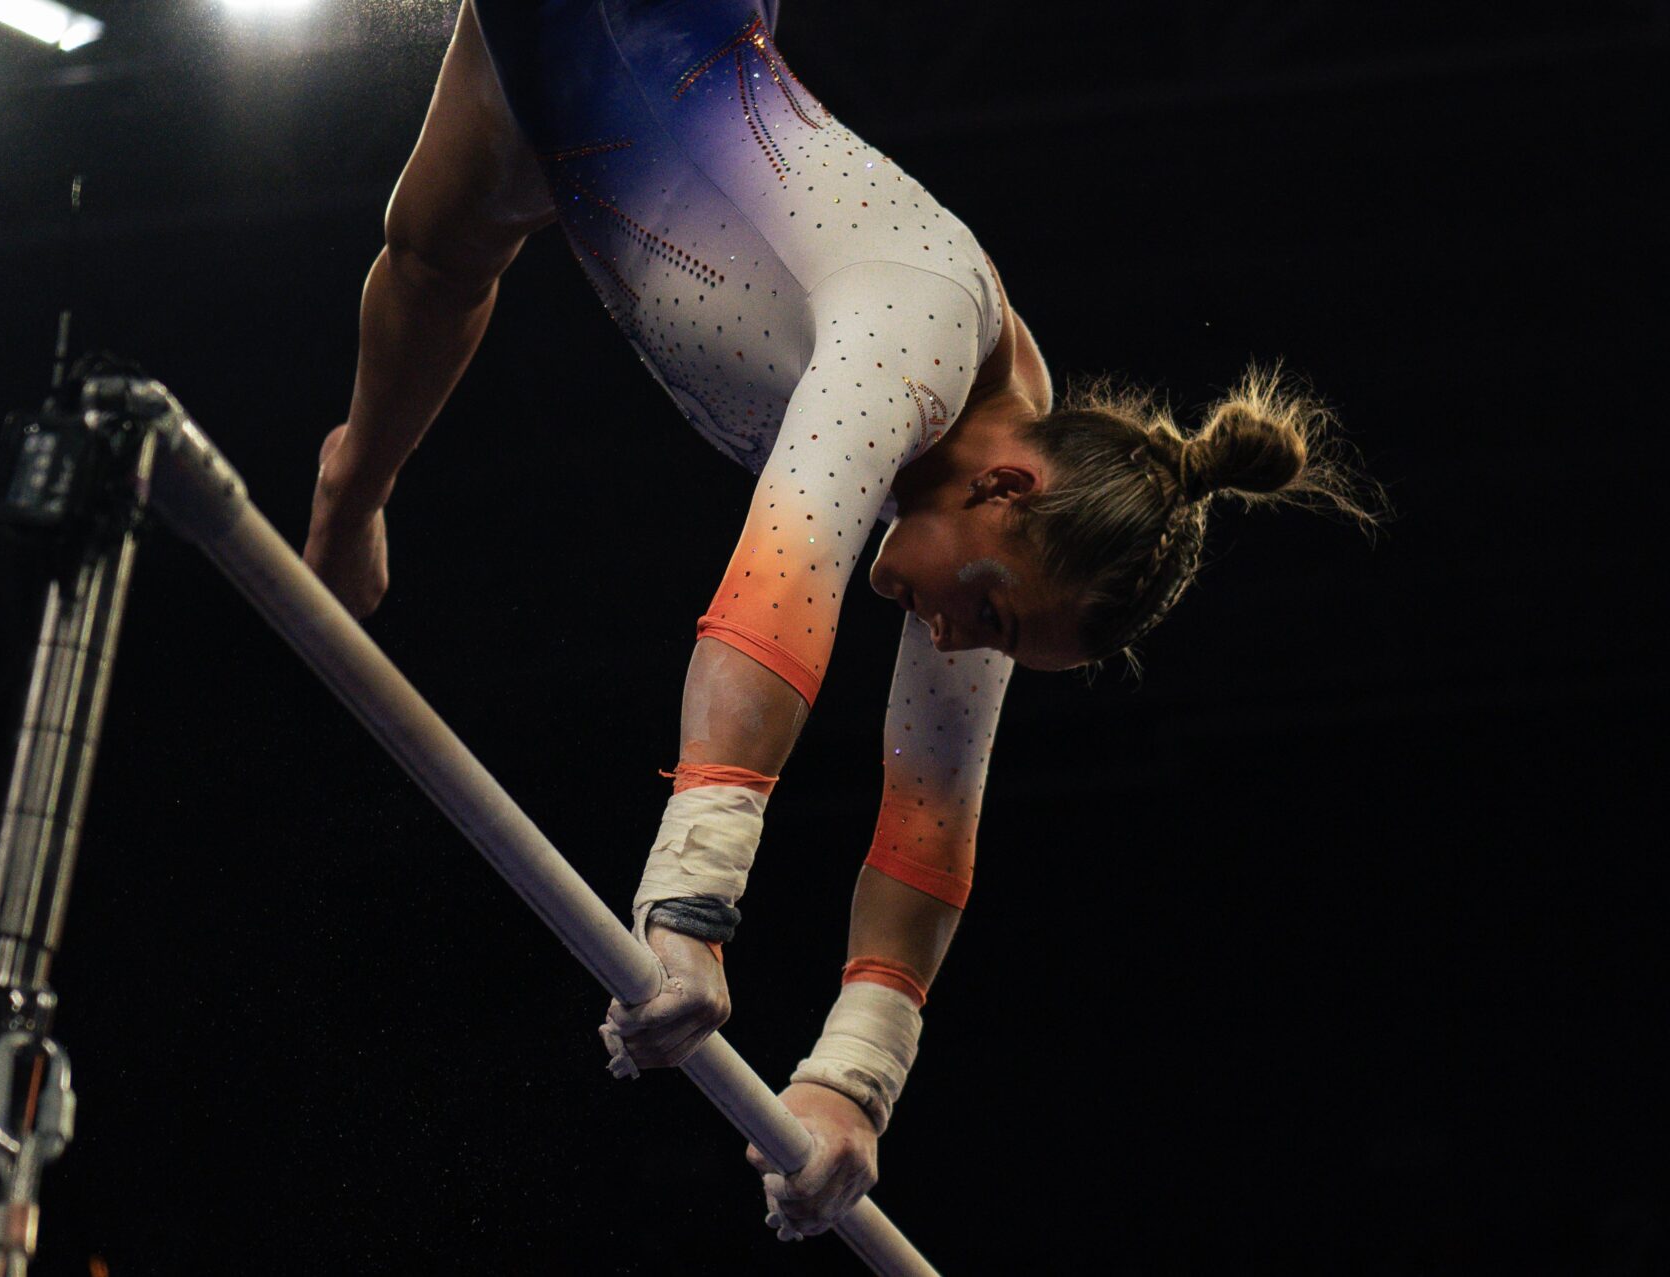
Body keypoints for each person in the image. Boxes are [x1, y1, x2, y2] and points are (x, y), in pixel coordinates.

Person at [304, 0, 1381, 1245]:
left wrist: (855, 1080)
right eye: (990, 615)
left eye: (996, 642)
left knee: (439, 257)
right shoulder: (916, 327)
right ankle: (353, 486)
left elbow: (933, 809)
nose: (959, 643)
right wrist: (690, 905)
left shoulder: (998, 484)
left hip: (561, 65)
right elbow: (780, 587)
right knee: (441, 254)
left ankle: (350, 486)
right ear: (1007, 488)